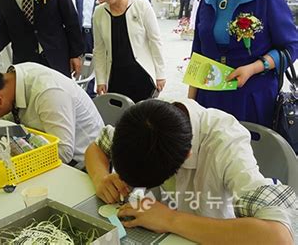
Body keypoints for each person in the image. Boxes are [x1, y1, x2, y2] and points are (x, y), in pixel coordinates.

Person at [85, 98, 295, 244]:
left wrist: (170, 220)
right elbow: (97, 147)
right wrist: (101, 177)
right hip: (157, 230)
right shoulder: (147, 119)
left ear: (185, 158)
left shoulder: (227, 142)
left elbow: (278, 237)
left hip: (212, 236)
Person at [190, 0, 298, 128]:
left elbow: (291, 47)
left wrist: (255, 67)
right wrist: (191, 103)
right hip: (209, 99)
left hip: (252, 99)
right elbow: (198, 53)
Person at [0, 63, 104, 168]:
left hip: (84, 166)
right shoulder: (12, 81)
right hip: (47, 155)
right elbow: (12, 124)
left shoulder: (47, 92)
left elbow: (63, 152)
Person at [91, 0, 166, 103]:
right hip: (114, 77)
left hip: (142, 75)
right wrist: (100, 80)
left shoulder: (142, 5)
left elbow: (155, 41)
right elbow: (99, 50)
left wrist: (160, 74)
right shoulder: (99, 13)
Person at [75, 0, 97, 97]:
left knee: (97, 61)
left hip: (96, 32)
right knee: (85, 63)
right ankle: (87, 91)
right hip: (83, 32)